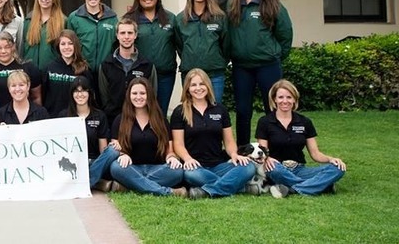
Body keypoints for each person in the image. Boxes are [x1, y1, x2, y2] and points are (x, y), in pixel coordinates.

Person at [227, 0, 293, 144]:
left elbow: (285, 34)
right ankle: (242, 150)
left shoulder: (271, 3)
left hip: (268, 66)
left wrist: (276, 54)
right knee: (242, 111)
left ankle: (276, 149)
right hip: (242, 67)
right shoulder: (233, 2)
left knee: (272, 109)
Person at [171, 68, 255, 199]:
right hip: (195, 166)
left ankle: (206, 191)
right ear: (187, 88)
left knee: (249, 167)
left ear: (208, 85)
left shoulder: (220, 109)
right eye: (193, 85)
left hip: (219, 165)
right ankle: (240, 187)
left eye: (201, 84)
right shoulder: (180, 111)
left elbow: (229, 141)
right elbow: (178, 143)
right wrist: (187, 159)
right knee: (190, 175)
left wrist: (234, 154)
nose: (198, 88)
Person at [256, 79, 346, 198]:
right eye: (281, 97)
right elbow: (263, 152)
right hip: (277, 168)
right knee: (274, 170)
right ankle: (321, 186)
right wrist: (267, 158)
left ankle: (292, 189)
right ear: (274, 99)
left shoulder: (305, 122)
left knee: (337, 169)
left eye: (289, 97)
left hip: (299, 169)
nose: (285, 101)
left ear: (294, 99)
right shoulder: (265, 122)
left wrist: (331, 159)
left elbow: (315, 153)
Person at [107, 78, 186, 197]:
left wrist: (172, 157)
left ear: (149, 95)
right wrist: (123, 155)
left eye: (142, 93)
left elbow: (169, 150)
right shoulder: (120, 120)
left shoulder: (161, 120)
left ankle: (130, 185)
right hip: (130, 168)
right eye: (134, 93)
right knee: (115, 167)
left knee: (178, 171)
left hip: (157, 169)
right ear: (129, 95)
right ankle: (168, 192)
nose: (138, 97)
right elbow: (116, 147)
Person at [124, 0, 178, 117]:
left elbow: (180, 43)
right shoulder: (130, 19)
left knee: (160, 112)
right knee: (139, 113)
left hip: (165, 75)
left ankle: (161, 138)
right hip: (140, 75)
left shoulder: (170, 18)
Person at [174, 0, 229, 103]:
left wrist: (217, 60)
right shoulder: (180, 19)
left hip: (214, 74)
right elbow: (179, 46)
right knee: (191, 112)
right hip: (189, 74)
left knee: (215, 110)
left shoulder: (219, 17)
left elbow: (226, 44)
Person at [0, 31, 42, 126]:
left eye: (7, 47)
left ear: (13, 47)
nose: (3, 51)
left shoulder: (28, 68)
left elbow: (36, 97)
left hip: (24, 123)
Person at [98, 18, 157, 123]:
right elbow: (104, 96)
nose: (126, 37)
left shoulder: (147, 65)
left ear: (135, 35)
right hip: (113, 120)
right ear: (117, 35)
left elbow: (152, 95)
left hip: (140, 121)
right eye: (122, 33)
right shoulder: (106, 65)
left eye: (130, 33)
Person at [66, 0, 118, 73]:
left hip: (106, 70)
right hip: (82, 70)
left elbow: (116, 45)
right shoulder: (74, 18)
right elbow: (69, 44)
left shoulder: (112, 18)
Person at [58, 75, 108, 161]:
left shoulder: (100, 116)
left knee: (112, 152)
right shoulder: (63, 116)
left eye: (84, 90)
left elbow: (103, 150)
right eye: (76, 91)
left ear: (90, 93)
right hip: (72, 162)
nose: (80, 94)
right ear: (72, 94)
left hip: (94, 162)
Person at [42, 30, 91, 116]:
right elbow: (43, 94)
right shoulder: (49, 68)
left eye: (70, 43)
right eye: (63, 44)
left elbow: (90, 96)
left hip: (76, 118)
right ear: (58, 46)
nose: (66, 47)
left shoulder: (84, 69)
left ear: (75, 45)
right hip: (53, 118)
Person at [21, 0, 65, 72]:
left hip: (53, 73)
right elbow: (23, 46)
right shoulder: (28, 20)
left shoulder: (63, 21)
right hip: (30, 72)